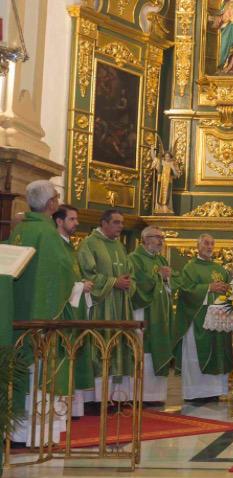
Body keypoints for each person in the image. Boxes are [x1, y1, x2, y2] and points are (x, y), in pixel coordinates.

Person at [8, 182, 89, 444]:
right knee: (41, 371)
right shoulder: (48, 234)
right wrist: (78, 288)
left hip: (17, 318)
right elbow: (63, 274)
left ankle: (15, 432)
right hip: (44, 320)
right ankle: (37, 435)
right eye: (56, 196)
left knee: (21, 372)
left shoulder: (20, 230)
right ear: (51, 204)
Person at [77, 209, 136, 403]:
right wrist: (113, 282)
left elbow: (129, 272)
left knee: (118, 348)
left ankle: (115, 397)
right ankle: (95, 399)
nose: (121, 226)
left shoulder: (119, 246)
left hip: (120, 305)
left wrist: (128, 283)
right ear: (103, 223)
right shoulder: (89, 244)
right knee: (100, 347)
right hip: (100, 306)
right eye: (116, 222)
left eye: (122, 223)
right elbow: (87, 273)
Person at [175, 234, 232, 402]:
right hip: (197, 319)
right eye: (206, 243)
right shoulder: (190, 268)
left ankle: (215, 391)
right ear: (198, 245)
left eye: (212, 244)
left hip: (219, 321)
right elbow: (186, 290)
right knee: (196, 354)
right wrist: (209, 287)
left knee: (218, 353)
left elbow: (229, 291)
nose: (209, 247)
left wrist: (227, 289)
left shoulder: (220, 269)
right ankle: (195, 393)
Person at [52, 205, 95, 417]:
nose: (77, 223)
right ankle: (62, 410)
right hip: (62, 311)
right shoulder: (55, 245)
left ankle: (73, 409)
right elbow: (56, 280)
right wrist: (79, 286)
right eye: (72, 219)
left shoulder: (70, 247)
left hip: (74, 309)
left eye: (76, 219)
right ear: (59, 221)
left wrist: (81, 284)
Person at [127, 226, 175, 404]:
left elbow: (170, 283)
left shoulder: (161, 259)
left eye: (162, 237)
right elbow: (138, 284)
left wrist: (167, 278)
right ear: (145, 239)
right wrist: (158, 276)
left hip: (160, 312)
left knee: (158, 349)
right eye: (157, 237)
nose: (161, 241)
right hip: (143, 311)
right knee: (144, 350)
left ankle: (156, 396)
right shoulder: (134, 259)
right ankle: (140, 395)